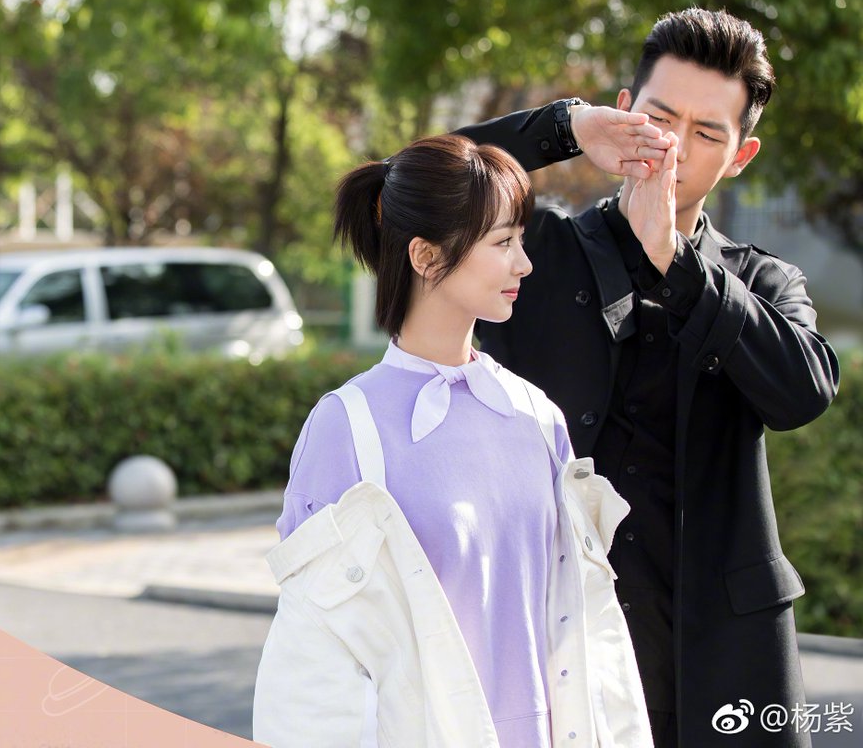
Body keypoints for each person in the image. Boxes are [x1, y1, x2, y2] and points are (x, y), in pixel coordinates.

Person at [454, 7, 840, 747]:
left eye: (706, 134)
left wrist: (680, 264)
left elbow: (803, 392)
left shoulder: (763, 283)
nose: (675, 147)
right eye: (659, 118)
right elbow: (402, 188)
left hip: (717, 660)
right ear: (625, 110)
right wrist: (565, 126)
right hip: (551, 643)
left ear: (740, 157)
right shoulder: (534, 254)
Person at [253, 133, 657, 747]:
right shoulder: (348, 427)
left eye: (520, 240)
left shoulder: (537, 418)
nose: (523, 264)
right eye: (502, 243)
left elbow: (581, 625)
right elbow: (316, 662)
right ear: (425, 255)